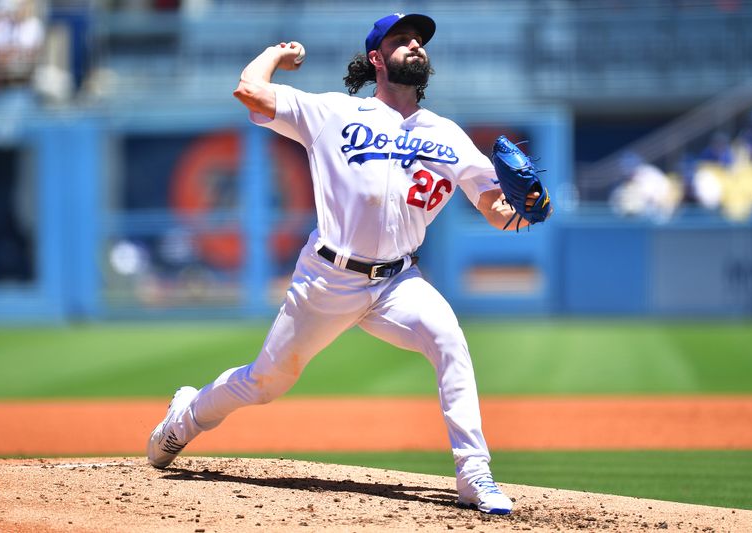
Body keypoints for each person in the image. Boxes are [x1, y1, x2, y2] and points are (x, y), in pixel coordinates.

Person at [147, 13, 546, 516]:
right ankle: (184, 418)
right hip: (327, 277)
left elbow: (496, 210)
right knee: (265, 382)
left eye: (420, 40)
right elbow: (249, 91)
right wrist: (278, 54)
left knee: (449, 340)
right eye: (402, 40)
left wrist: (528, 214)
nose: (416, 46)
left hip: (398, 280)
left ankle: (474, 475)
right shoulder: (333, 112)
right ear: (377, 58)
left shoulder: (448, 136)